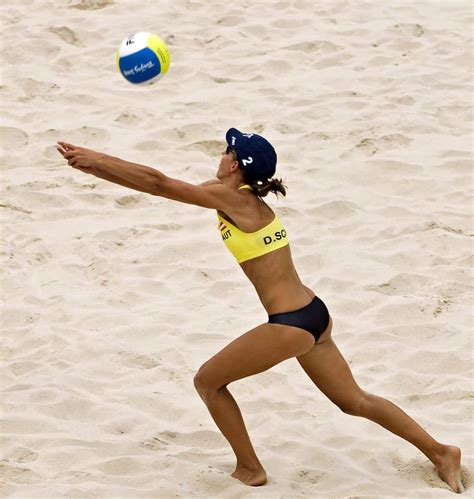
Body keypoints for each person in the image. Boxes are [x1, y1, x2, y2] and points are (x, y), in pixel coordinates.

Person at [56, 129, 463, 492]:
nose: (219, 154)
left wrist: (99, 159)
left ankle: (250, 469)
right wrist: (93, 167)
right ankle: (441, 452)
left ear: (235, 164)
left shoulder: (232, 200)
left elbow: (160, 182)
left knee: (208, 382)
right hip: (313, 314)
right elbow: (157, 185)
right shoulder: (238, 198)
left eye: (225, 150)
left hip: (290, 324)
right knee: (354, 400)